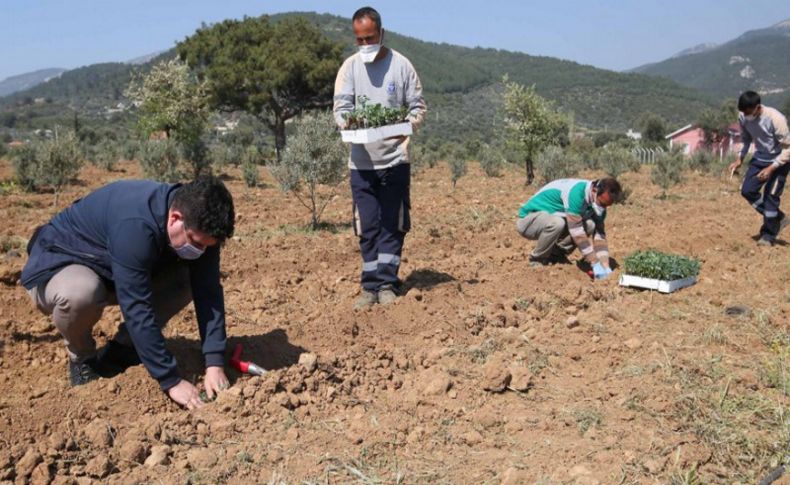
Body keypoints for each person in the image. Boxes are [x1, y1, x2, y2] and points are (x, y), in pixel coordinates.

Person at [21, 175, 235, 410]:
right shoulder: (136, 224)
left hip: (116, 269)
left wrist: (214, 363)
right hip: (62, 266)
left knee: (185, 280)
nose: (200, 250)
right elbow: (136, 306)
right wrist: (170, 380)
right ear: (175, 219)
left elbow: (209, 292)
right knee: (81, 293)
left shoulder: (200, 226)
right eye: (196, 242)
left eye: (207, 246)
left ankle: (123, 349)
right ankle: (82, 358)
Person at [333, 6, 427, 309]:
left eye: (369, 38)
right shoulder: (349, 68)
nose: (364, 45)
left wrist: (406, 126)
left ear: (381, 33)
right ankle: (368, 285)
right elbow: (341, 108)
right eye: (359, 39)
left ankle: (387, 283)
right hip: (361, 163)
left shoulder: (402, 66)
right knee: (367, 225)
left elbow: (417, 107)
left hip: (395, 160)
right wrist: (348, 123)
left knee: (393, 224)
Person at [516, 177, 622, 279]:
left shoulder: (597, 204)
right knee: (558, 223)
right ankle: (537, 259)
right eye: (602, 203)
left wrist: (604, 264)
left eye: (606, 206)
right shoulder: (576, 193)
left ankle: (556, 255)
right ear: (594, 190)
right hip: (528, 221)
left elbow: (600, 235)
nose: (603, 208)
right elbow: (576, 232)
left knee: (590, 225)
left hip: (552, 219)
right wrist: (594, 261)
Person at [728, 90, 790, 246]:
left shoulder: (775, 119)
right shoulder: (743, 117)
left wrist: (771, 168)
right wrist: (739, 159)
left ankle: (768, 235)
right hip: (760, 158)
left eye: (748, 112)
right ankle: (777, 217)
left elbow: (788, 148)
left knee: (771, 197)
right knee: (747, 190)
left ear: (757, 107)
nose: (745, 115)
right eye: (743, 112)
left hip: (780, 161)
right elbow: (746, 139)